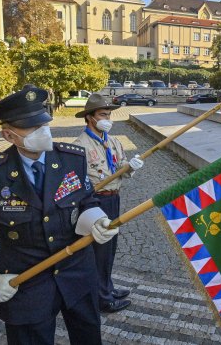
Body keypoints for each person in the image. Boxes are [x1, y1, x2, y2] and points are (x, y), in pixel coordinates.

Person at [0, 85, 118, 345]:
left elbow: (86, 200)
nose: (44, 132)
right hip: (26, 283)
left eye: (44, 124)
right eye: (32, 128)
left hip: (77, 273)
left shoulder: (72, 159)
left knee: (88, 337)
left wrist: (96, 220)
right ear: (9, 135)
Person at [72, 94, 144, 313]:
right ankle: (102, 297)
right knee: (99, 250)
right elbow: (78, 181)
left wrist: (130, 166)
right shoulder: (80, 146)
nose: (108, 118)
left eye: (109, 114)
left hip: (113, 198)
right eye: (103, 114)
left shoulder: (112, 141)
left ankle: (107, 287)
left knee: (109, 248)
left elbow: (120, 164)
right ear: (90, 118)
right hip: (96, 201)